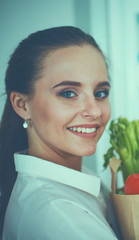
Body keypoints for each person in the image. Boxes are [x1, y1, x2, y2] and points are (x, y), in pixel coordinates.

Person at [0, 26, 121, 239]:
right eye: (68, 93)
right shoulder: (60, 218)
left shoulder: (81, 181)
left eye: (100, 93)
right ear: (22, 105)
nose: (94, 111)